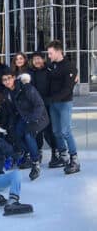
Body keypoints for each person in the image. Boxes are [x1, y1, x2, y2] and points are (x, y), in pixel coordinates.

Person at [1, 69, 49, 180]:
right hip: (25, 118)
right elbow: (13, 111)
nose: (7, 81)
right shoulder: (8, 93)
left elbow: (39, 105)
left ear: (13, 77)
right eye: (4, 80)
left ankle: (35, 163)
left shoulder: (26, 88)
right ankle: (30, 153)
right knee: (17, 134)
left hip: (39, 117)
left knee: (28, 135)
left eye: (9, 78)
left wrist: (33, 120)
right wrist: (10, 125)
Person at [47, 40, 80, 174]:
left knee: (66, 131)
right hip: (53, 104)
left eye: (50, 53)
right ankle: (63, 156)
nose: (49, 56)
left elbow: (68, 89)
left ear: (58, 51)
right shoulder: (52, 65)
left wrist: (52, 99)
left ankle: (75, 160)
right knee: (56, 132)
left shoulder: (70, 67)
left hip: (64, 103)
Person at [30, 51, 59, 166]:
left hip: (48, 105)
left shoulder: (49, 70)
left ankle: (55, 153)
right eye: (34, 59)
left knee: (49, 130)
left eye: (39, 59)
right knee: (37, 131)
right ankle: (39, 152)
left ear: (43, 59)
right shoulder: (30, 72)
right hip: (35, 107)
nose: (37, 61)